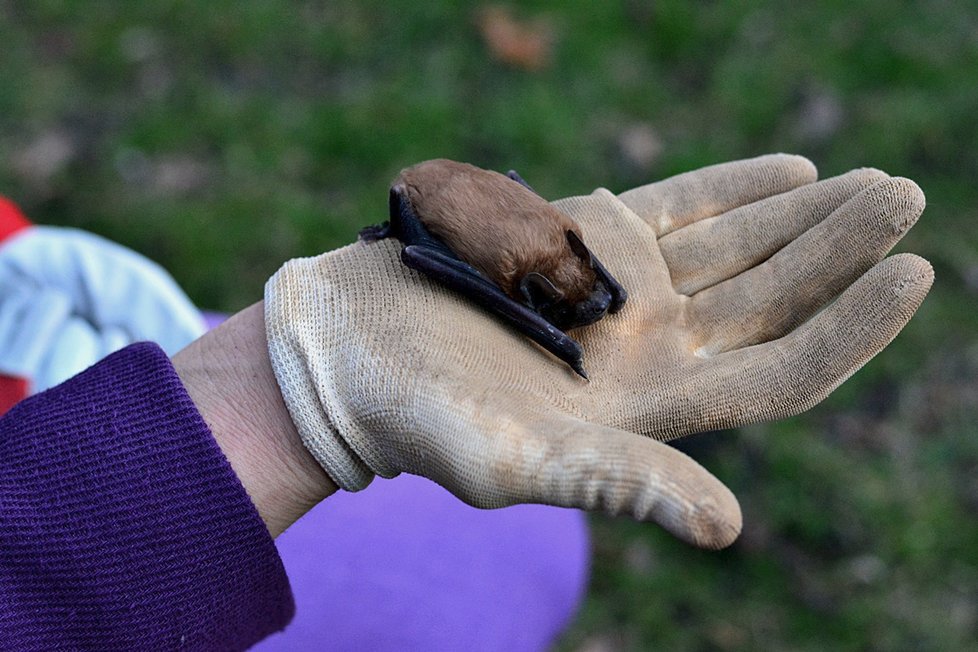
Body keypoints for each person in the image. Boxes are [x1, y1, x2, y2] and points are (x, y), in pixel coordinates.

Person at [0, 155, 933, 650]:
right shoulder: (514, 275)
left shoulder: (567, 269)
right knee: (473, 584)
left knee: (521, 545)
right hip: (60, 516)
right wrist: (295, 394)